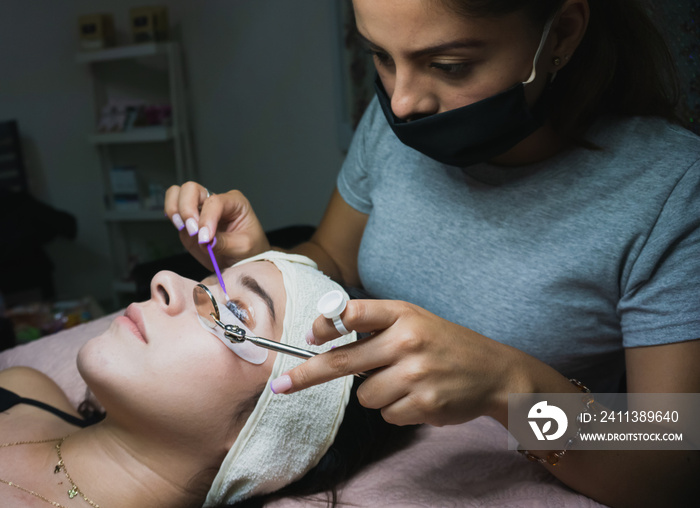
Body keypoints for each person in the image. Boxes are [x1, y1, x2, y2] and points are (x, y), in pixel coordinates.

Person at [165, 0, 700, 506]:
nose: (402, 102)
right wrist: (262, 257)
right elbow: (333, 256)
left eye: (449, 65)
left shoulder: (673, 189)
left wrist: (509, 387)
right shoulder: (396, 126)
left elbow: (671, 457)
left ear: (560, 33)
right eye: (380, 56)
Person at [0, 251, 403, 507]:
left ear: (262, 440)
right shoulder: (22, 386)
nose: (165, 280)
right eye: (208, 284)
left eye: (235, 314)